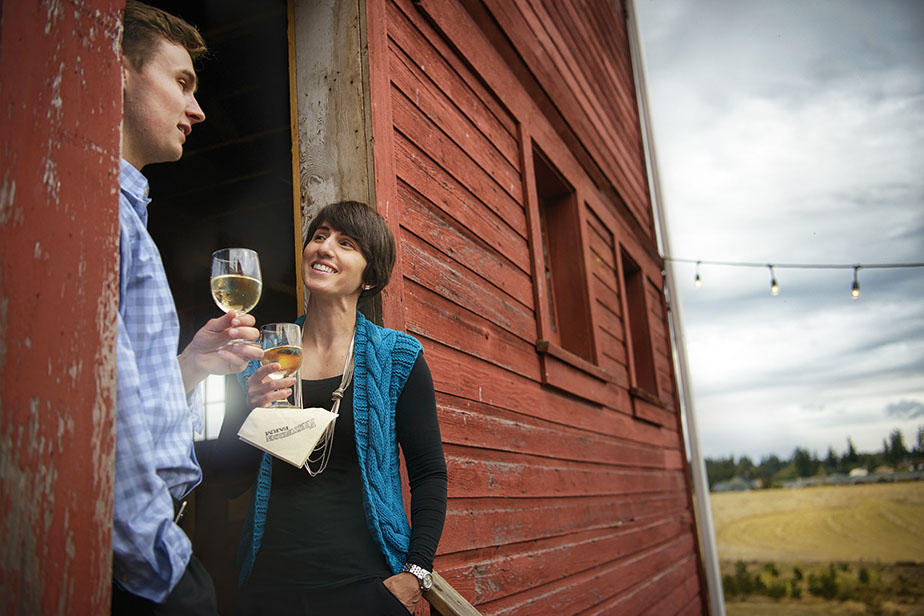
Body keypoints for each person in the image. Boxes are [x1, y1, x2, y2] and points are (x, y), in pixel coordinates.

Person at [113, 2, 262, 614]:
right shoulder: (100, 210)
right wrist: (169, 569)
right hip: (143, 565)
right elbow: (107, 411)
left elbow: (134, 393)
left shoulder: (129, 214)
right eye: (181, 82)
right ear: (118, 71)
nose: (197, 109)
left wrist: (193, 364)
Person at [234, 201, 448, 615]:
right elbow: (226, 475)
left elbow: (429, 473)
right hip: (268, 587)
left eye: (345, 242)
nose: (324, 247)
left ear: (370, 277)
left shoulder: (397, 357)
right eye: (319, 236)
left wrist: (417, 571)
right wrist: (247, 413)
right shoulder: (261, 356)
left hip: (365, 589)